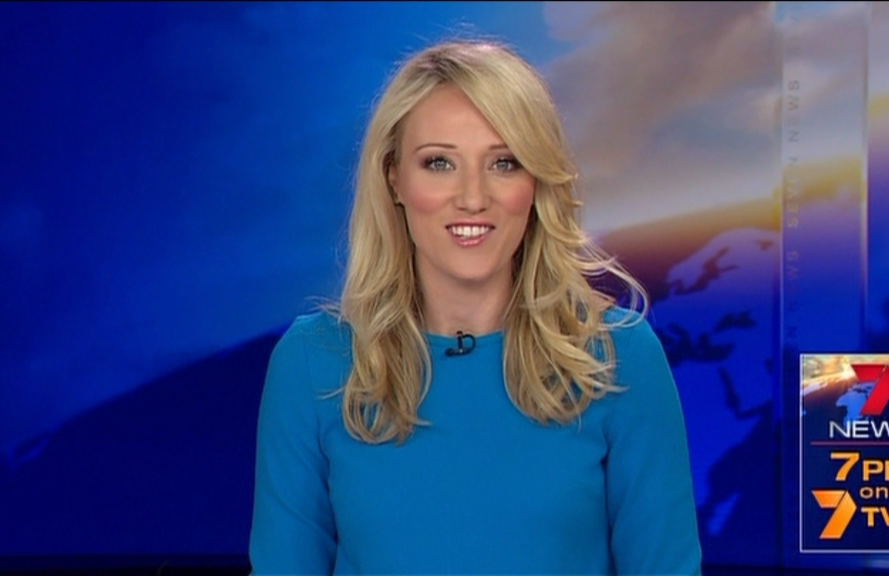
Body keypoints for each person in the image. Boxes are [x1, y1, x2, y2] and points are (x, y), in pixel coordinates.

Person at [249, 38, 703, 576]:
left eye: (504, 163)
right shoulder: (313, 363)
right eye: (439, 162)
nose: (472, 197)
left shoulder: (619, 359)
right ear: (394, 178)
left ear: (535, 183)